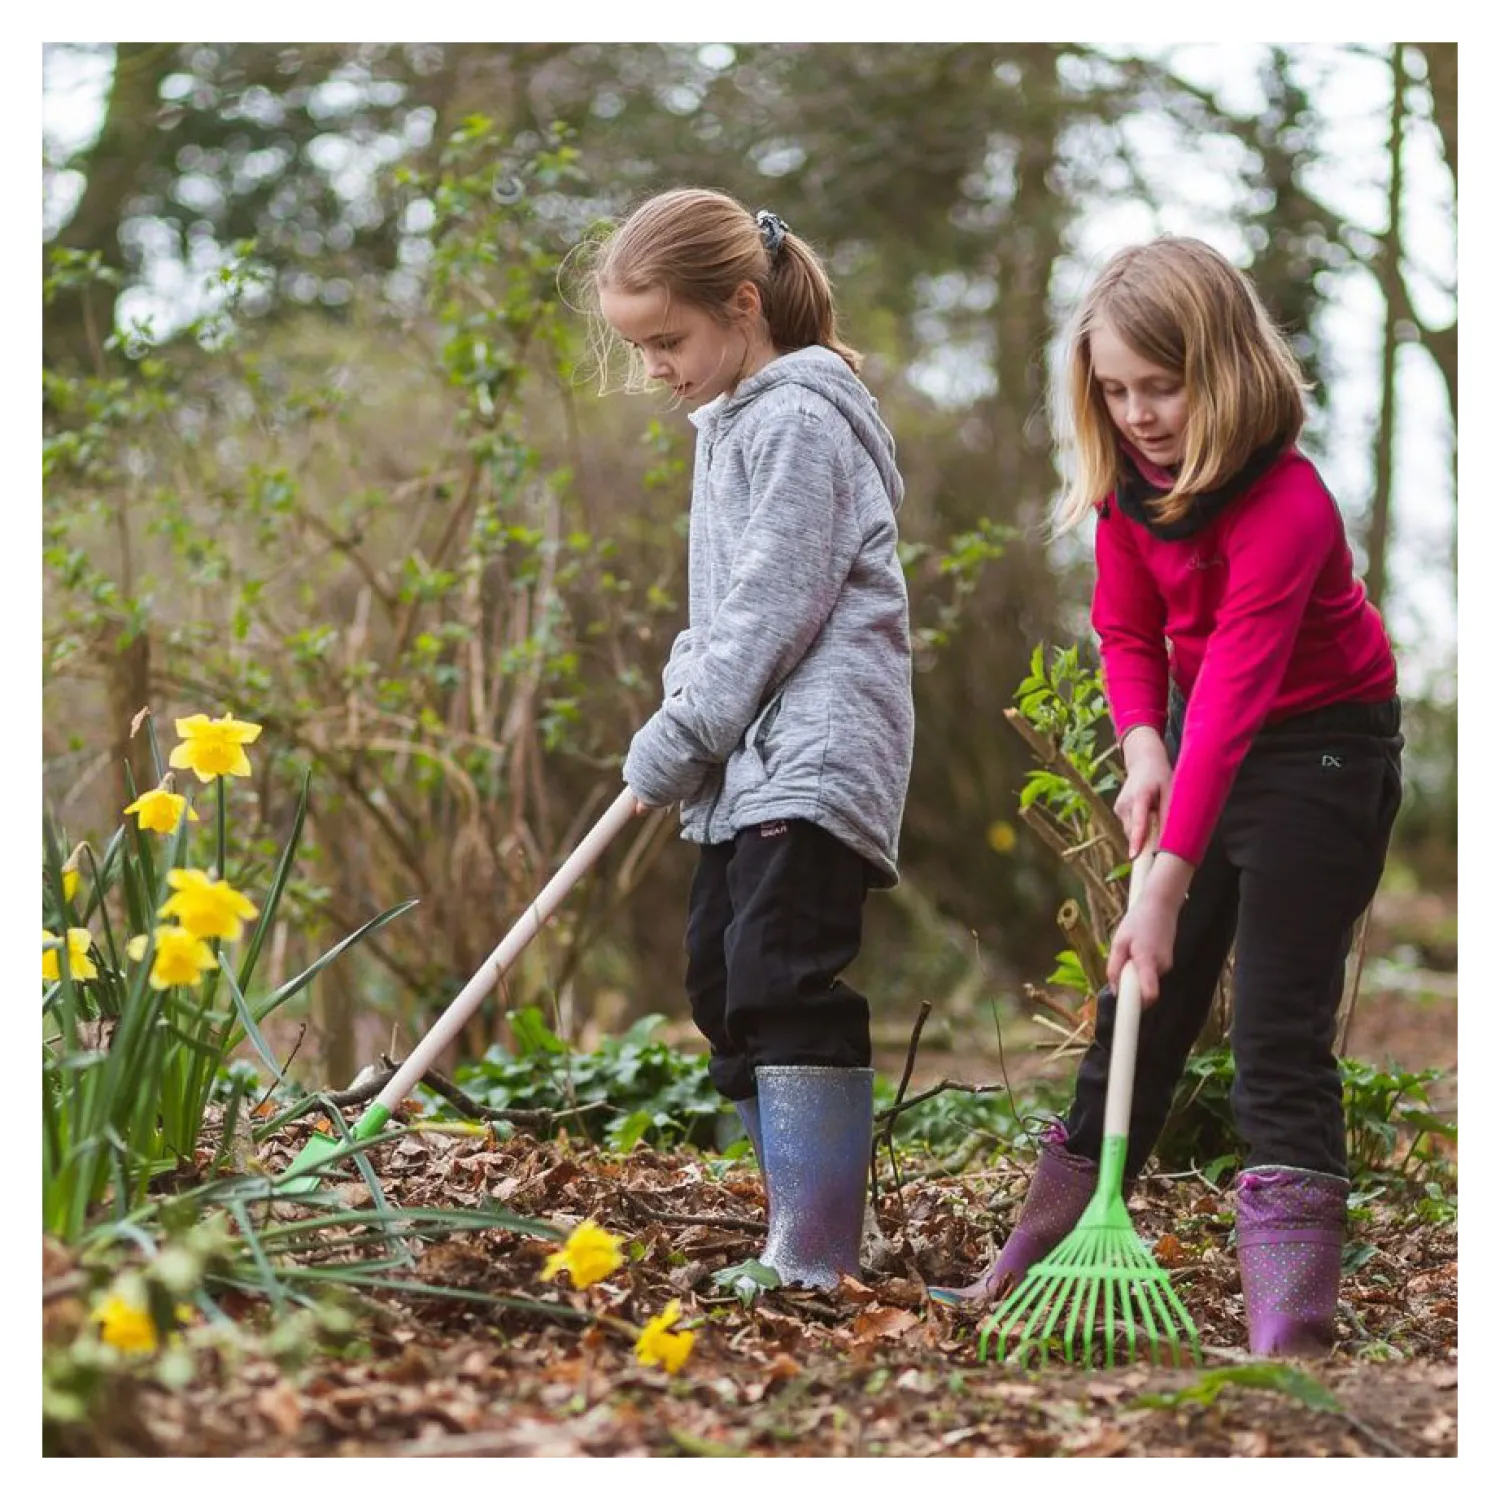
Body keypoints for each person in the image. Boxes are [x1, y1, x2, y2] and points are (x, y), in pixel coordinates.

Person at [929, 237, 1403, 1357]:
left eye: (1163, 386)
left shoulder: (1288, 505)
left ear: (1226, 370)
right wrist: (1143, 743)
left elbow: (1240, 688)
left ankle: (1289, 1328)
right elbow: (1128, 629)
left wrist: (1165, 883)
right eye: (1115, 389)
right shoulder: (1131, 493)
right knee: (1143, 1008)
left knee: (1278, 1033)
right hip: (1200, 734)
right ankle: (1030, 1259)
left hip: (1323, 754)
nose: (1138, 414)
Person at [581, 188, 915, 1291]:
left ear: (740, 304)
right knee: (722, 981)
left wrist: (683, 733)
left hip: (814, 751)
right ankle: (792, 1222)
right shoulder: (732, 420)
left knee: (781, 974)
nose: (655, 370)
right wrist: (683, 710)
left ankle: (815, 1255)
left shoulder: (798, 420)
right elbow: (717, 615)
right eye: (638, 349)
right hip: (748, 758)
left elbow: (774, 608)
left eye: (667, 341)